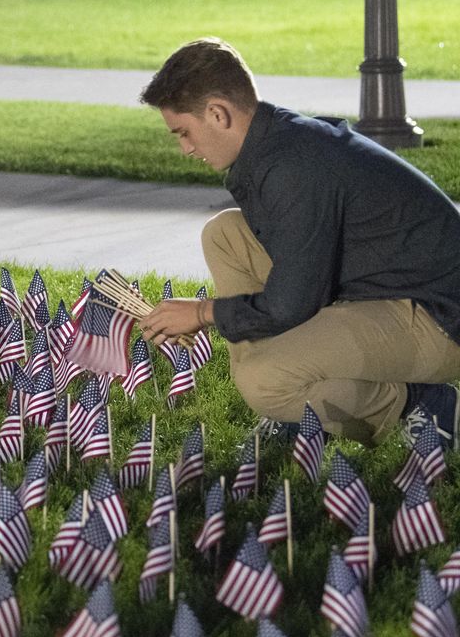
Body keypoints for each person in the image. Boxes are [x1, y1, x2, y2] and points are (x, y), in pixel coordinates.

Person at [139, 38, 460, 448]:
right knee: (224, 235)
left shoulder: (294, 167)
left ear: (218, 114)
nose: (185, 148)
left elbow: (291, 303)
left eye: (184, 132)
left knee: (262, 382)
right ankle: (296, 406)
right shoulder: (279, 141)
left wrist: (203, 312)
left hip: (438, 319)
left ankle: (419, 404)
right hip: (380, 291)